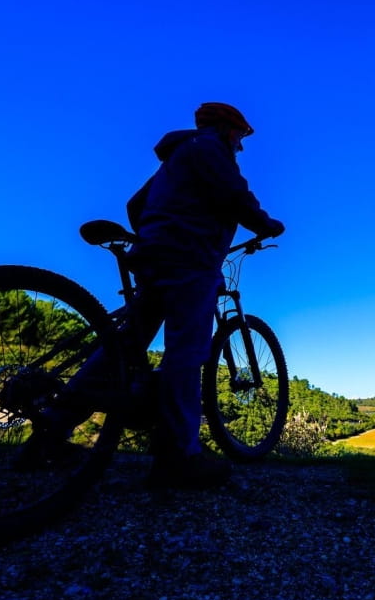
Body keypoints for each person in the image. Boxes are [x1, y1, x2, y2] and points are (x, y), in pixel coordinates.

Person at [17, 102, 284, 489]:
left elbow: (135, 205)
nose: (242, 144)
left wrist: (158, 231)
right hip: (189, 256)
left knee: (119, 349)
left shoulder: (174, 159)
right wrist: (267, 224)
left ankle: (50, 433)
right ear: (229, 128)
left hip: (155, 255)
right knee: (187, 352)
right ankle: (180, 456)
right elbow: (235, 194)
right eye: (241, 135)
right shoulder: (210, 147)